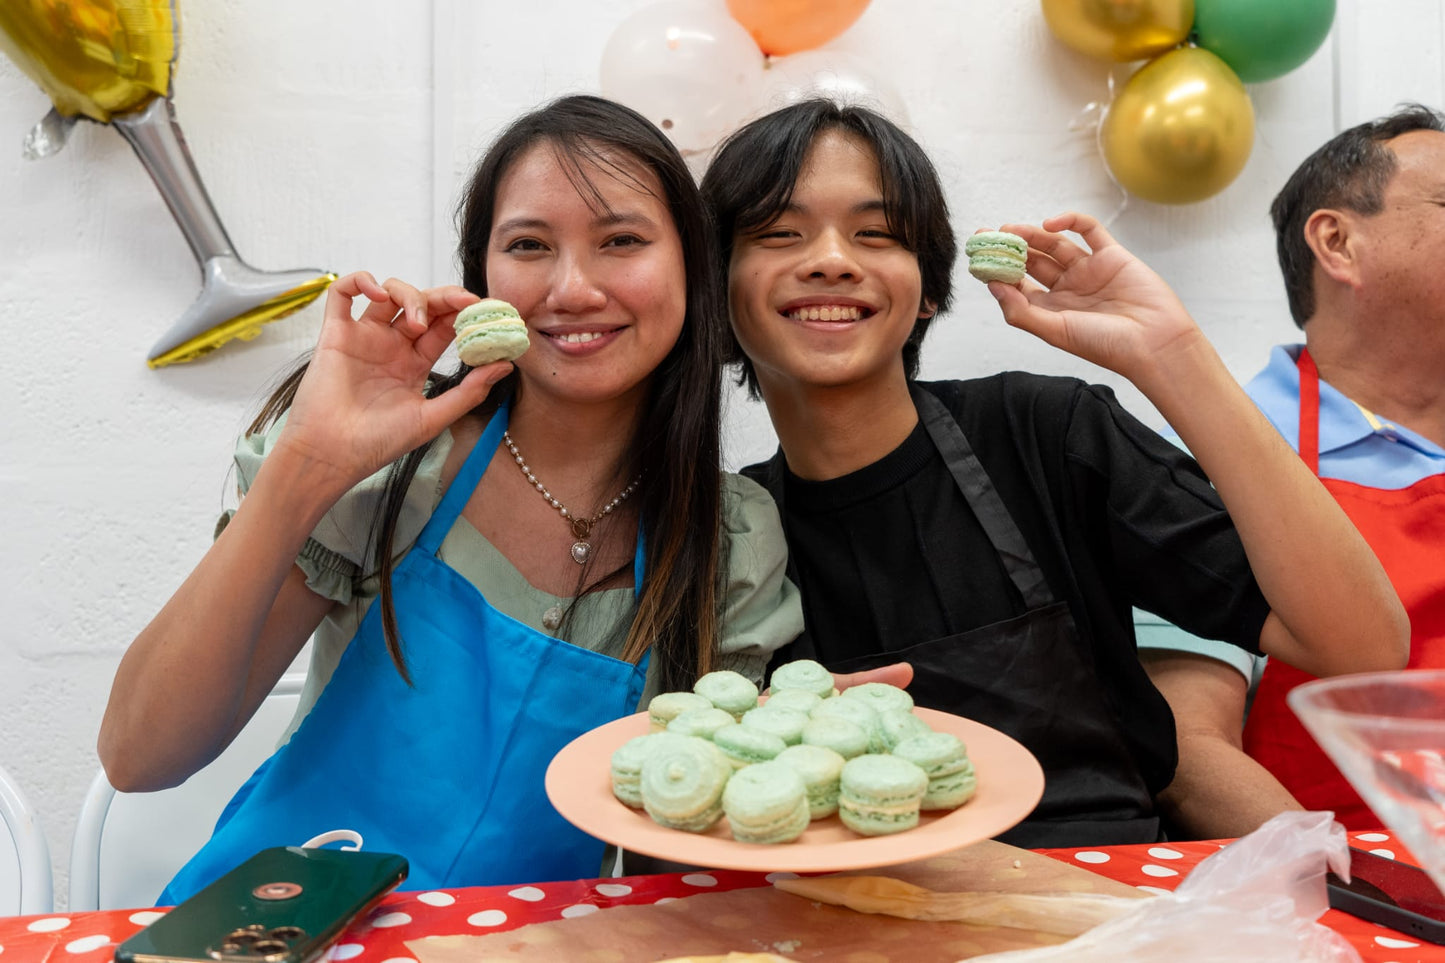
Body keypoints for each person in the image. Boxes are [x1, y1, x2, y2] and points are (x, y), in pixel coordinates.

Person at [97, 94, 803, 901]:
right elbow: (137, 755)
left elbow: (692, 871)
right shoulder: (399, 467)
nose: (572, 288)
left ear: (691, 267)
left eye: (622, 241)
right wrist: (307, 466)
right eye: (530, 245)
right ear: (484, 278)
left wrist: (778, 752)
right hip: (278, 934)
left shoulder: (730, 538)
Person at [699, 99, 1409, 847]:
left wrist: (1167, 354)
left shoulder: (1043, 431)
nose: (832, 258)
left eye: (875, 234)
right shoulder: (739, 535)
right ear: (715, 288)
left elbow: (1359, 643)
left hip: (1110, 895)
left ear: (930, 287)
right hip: (864, 915)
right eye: (780, 233)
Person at [1137, 103, 1445, 838]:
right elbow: (1189, 746)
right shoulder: (1212, 460)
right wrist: (1349, 879)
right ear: (1336, 242)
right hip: (1357, 890)